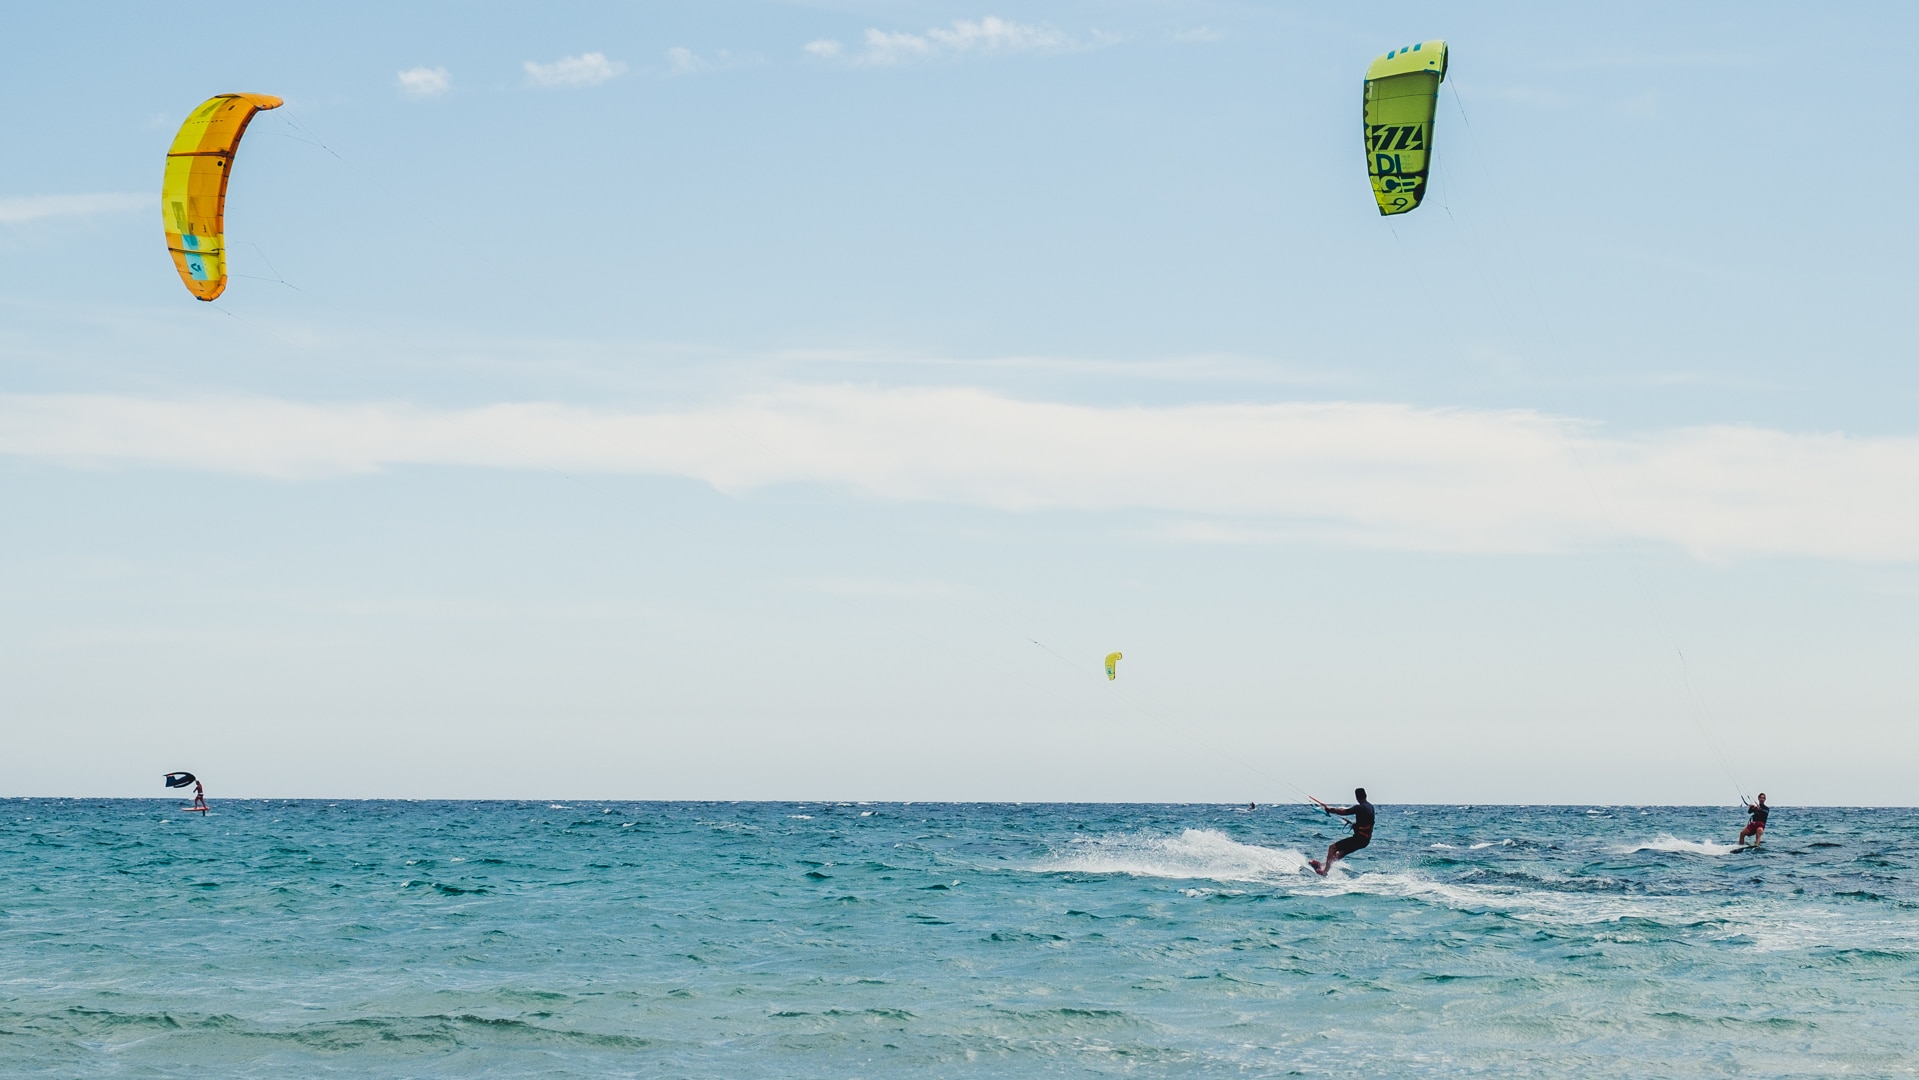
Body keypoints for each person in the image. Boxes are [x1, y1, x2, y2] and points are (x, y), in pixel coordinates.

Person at [1309, 788, 1374, 876]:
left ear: (1356, 797)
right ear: (1366, 795)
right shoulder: (1371, 807)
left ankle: (1325, 872)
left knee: (1332, 848)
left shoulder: (1359, 807)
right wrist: (1355, 825)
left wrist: (1330, 810)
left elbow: (1344, 812)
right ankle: (1323, 865)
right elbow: (1366, 823)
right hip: (1365, 841)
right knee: (1341, 853)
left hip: (1359, 839)